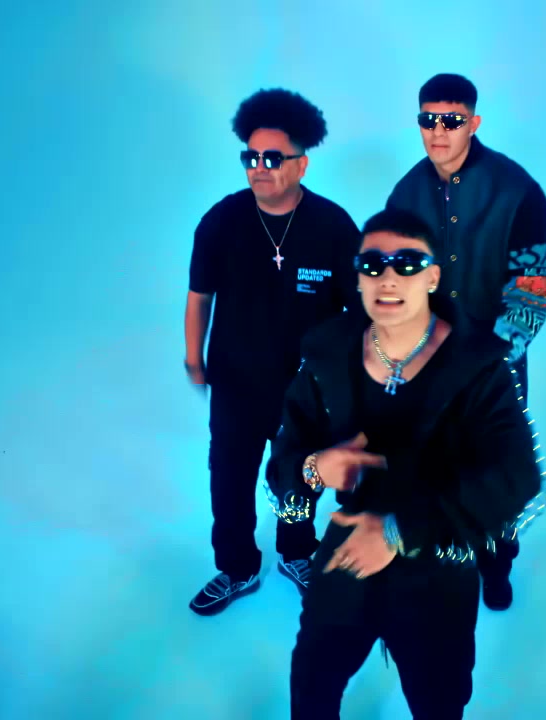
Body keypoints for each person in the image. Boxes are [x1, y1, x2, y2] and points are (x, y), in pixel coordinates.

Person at [263, 208, 546, 718]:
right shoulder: (328, 353)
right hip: (348, 547)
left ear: (433, 276)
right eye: (373, 265)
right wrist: (315, 469)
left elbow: (518, 476)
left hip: (440, 560)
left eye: (408, 263)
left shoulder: (479, 365)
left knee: (438, 699)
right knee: (311, 685)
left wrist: (397, 532)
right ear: (357, 277)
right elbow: (284, 458)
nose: (389, 277)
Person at [185, 88, 360, 616]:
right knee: (229, 478)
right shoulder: (221, 222)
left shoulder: (333, 227)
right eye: (251, 157)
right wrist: (193, 357)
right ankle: (237, 566)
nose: (259, 168)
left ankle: (297, 553)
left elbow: (360, 312)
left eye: (273, 158)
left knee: (299, 477)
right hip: (236, 383)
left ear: (302, 164)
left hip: (305, 391)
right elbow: (199, 296)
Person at [385, 72, 546, 611]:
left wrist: (492, 359)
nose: (439, 131)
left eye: (452, 120)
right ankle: (438, 564)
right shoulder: (404, 195)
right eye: (428, 120)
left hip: (494, 365)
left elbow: (531, 290)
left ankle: (496, 564)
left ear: (473, 122)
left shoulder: (518, 192)